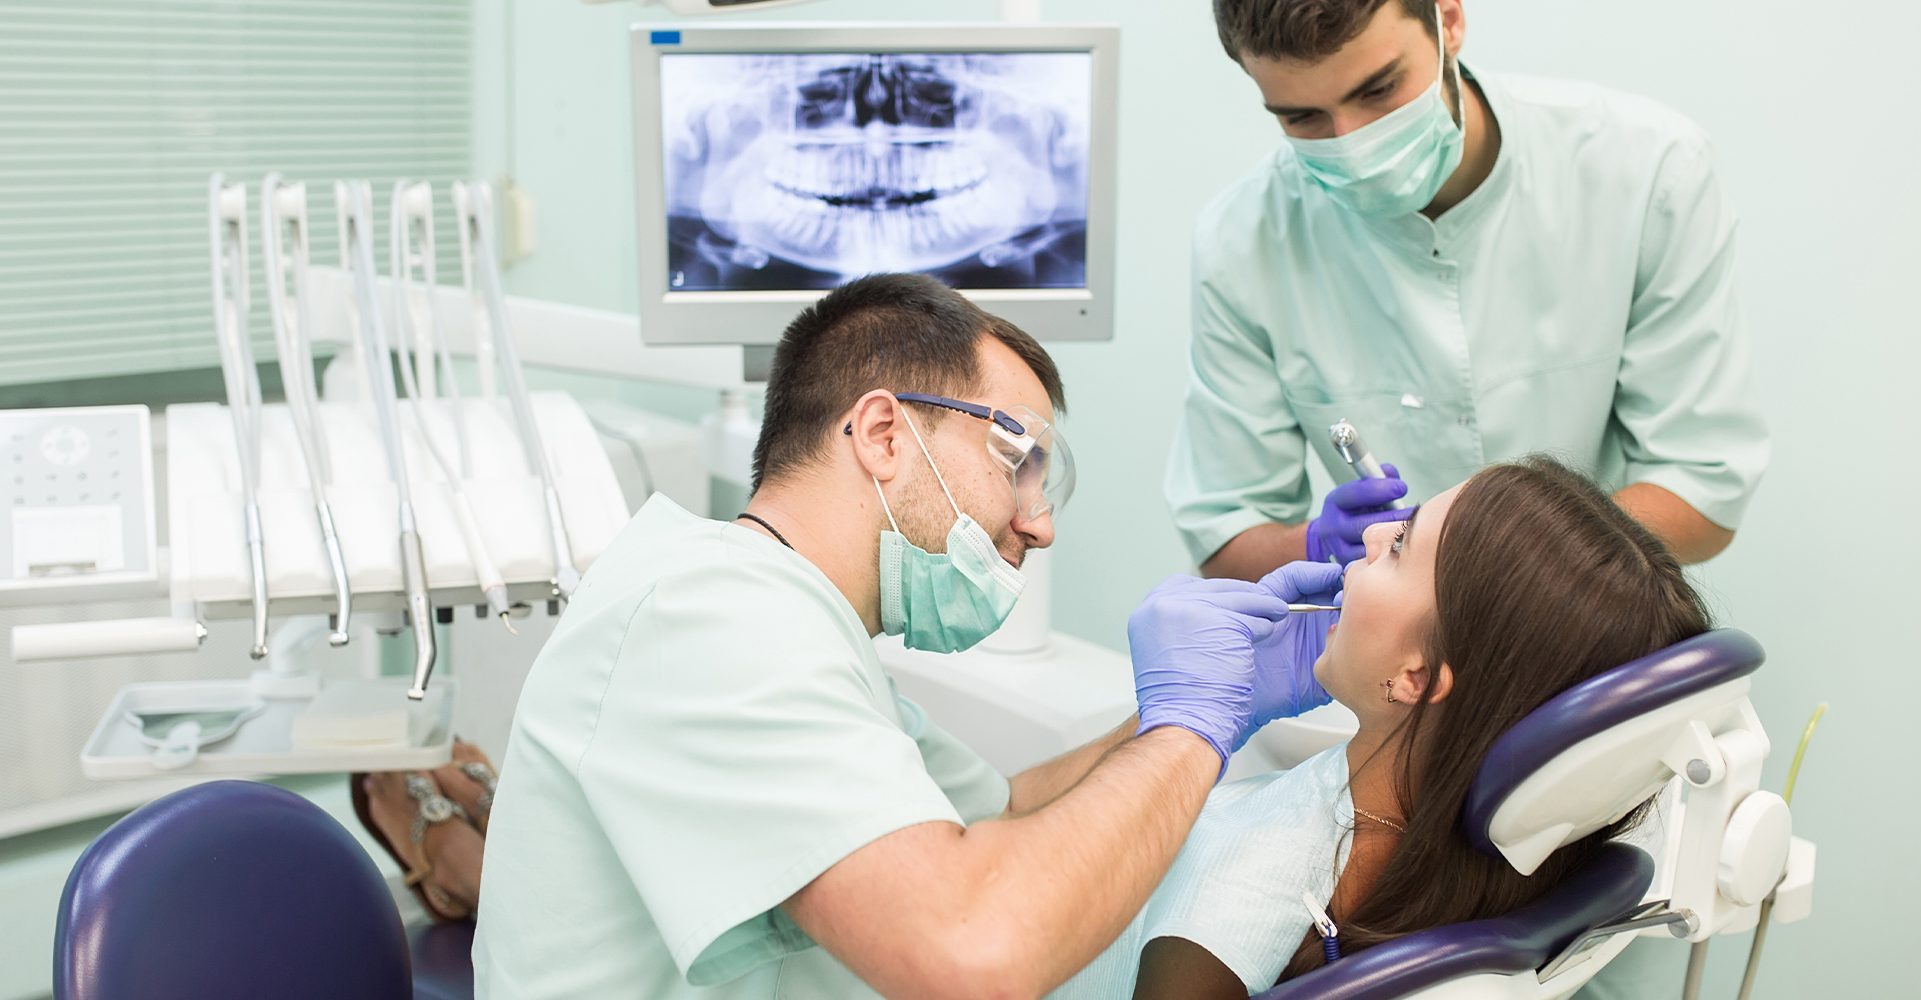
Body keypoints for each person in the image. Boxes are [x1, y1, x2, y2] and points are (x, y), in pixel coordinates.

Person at [470, 273, 1344, 999]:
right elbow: (971, 949)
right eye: (1021, 465)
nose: (1039, 527)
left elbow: (1006, 811)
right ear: (884, 433)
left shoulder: (789, 618)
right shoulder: (711, 617)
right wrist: (1193, 727)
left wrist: (1203, 701)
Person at [1049, 456, 1712, 998]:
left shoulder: (1258, 871)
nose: (1368, 538)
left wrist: (1183, 723)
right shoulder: (1476, 867)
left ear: (1418, 678)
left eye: (1399, 545)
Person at [1169, 0, 1770, 583]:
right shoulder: (1242, 241)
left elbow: (1702, 490)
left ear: (1448, 19)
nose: (1352, 142)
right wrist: (1315, 544)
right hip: (1387, 672)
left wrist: (1496, 552)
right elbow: (1226, 539)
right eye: (1302, 117)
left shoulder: (1647, 171)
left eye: (1379, 90)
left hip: (1601, 636)